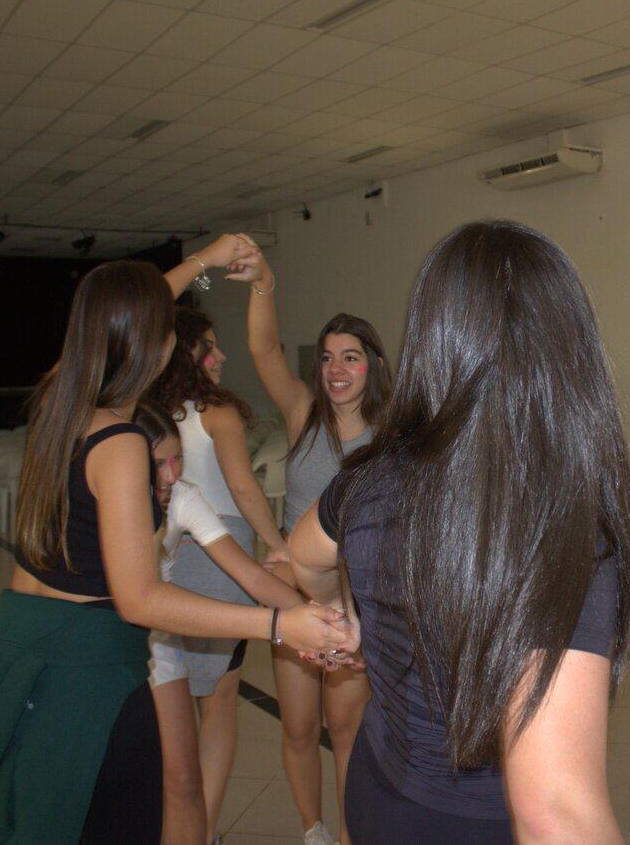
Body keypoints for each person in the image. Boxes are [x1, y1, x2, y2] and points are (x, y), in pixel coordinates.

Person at [0, 244, 352, 844]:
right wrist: (281, 626)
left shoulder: (57, 407)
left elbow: (109, 320)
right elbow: (140, 598)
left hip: (16, 645)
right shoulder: (121, 441)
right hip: (84, 670)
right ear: (155, 341)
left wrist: (203, 259)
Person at [287, 220, 630, 843]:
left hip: (377, 792)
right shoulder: (561, 524)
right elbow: (553, 813)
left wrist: (347, 615)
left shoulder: (369, 476)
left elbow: (304, 558)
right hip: (475, 823)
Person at [241, 247, 391, 844]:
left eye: (350, 357)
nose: (336, 369)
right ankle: (314, 831)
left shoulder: (391, 436)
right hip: (294, 595)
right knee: (300, 727)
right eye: (327, 358)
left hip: (357, 603)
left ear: (373, 365)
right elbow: (263, 352)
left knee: (345, 727)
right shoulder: (303, 413)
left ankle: (351, 834)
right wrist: (263, 284)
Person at [132, 401, 325, 845]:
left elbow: (250, 575)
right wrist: (279, 625)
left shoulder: (183, 497)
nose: (171, 474)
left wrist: (316, 617)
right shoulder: (114, 506)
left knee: (184, 780)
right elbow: (138, 599)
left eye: (178, 459)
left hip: (161, 646)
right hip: (115, 645)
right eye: (159, 463)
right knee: (138, 775)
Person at [147, 305, 296, 841]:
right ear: (186, 351)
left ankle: (178, 822)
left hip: (166, 554)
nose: (221, 355)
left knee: (173, 695)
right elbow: (243, 487)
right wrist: (277, 544)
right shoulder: (218, 411)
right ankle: (203, 827)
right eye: (209, 346)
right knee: (219, 704)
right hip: (218, 553)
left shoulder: (149, 412)